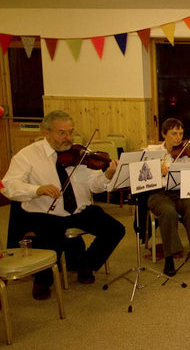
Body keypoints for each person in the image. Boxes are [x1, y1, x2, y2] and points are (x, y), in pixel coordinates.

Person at [1, 111, 125, 300]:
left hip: (79, 209)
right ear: (46, 132)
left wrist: (106, 176)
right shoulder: (27, 156)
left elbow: (93, 184)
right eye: (62, 133)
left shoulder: (80, 155)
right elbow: (9, 186)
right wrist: (37, 189)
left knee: (115, 229)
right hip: (45, 213)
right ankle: (43, 280)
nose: (68, 138)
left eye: (70, 132)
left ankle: (86, 264)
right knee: (50, 243)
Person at [145, 118, 190, 277]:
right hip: (159, 193)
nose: (178, 138)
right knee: (168, 212)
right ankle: (169, 257)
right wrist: (154, 166)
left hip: (183, 192)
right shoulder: (151, 151)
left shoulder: (187, 152)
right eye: (174, 133)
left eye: (181, 133)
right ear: (163, 134)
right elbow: (140, 169)